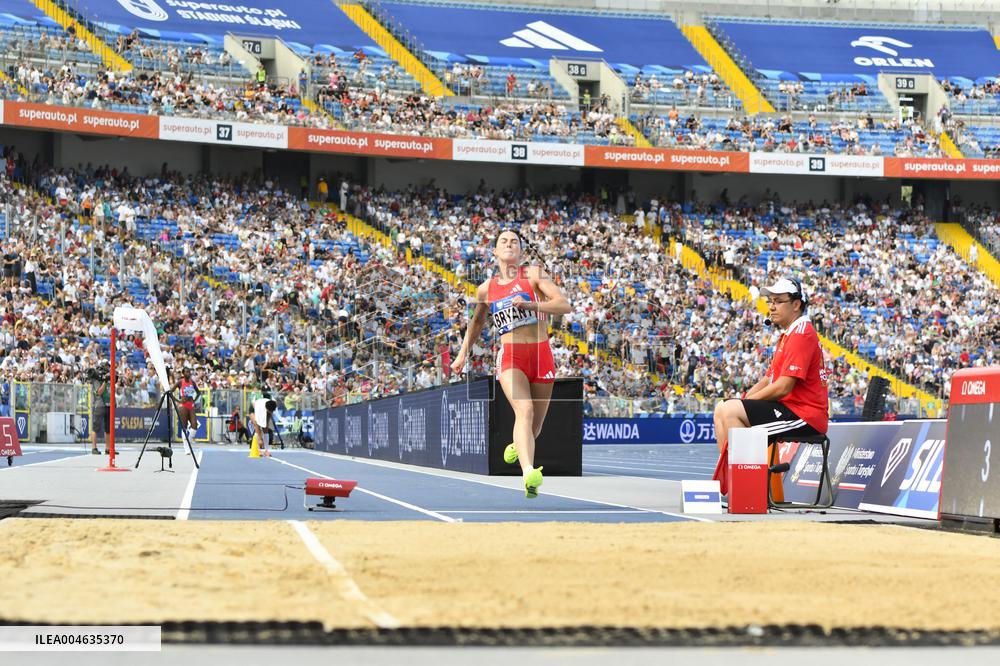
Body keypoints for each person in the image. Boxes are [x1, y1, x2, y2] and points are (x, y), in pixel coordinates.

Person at [450, 229, 572, 498]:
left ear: (521, 251)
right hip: (511, 356)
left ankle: (518, 447)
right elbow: (477, 323)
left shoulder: (534, 275)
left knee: (535, 428)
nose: (509, 244)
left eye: (514, 241)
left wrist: (532, 307)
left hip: (541, 355)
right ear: (494, 252)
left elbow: (563, 305)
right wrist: (462, 354)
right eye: (503, 241)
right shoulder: (486, 289)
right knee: (524, 411)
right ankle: (528, 472)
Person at [712, 278, 829, 489]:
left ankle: (747, 488)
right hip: (791, 409)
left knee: (730, 410)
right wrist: (743, 402)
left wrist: (743, 405)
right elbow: (769, 379)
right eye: (770, 301)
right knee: (723, 407)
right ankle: (738, 482)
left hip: (805, 415)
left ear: (796, 304)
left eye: (778, 301)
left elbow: (783, 387)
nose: (772, 306)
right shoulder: (790, 334)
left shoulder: (802, 333)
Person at [171, 367, 201, 448]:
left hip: (191, 405)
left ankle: (189, 442)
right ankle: (186, 446)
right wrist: (178, 401)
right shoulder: (180, 382)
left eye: (189, 372)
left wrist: (194, 400)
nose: (189, 373)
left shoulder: (192, 382)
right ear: (183, 374)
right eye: (187, 372)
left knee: (194, 426)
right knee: (184, 427)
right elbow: (170, 392)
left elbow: (198, 392)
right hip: (183, 406)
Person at [90, 377, 111, 455]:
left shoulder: (109, 380)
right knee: (95, 428)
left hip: (108, 405)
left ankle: (108, 449)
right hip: (99, 405)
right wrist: (104, 382)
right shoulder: (96, 380)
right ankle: (94, 448)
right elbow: (99, 392)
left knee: (108, 429)